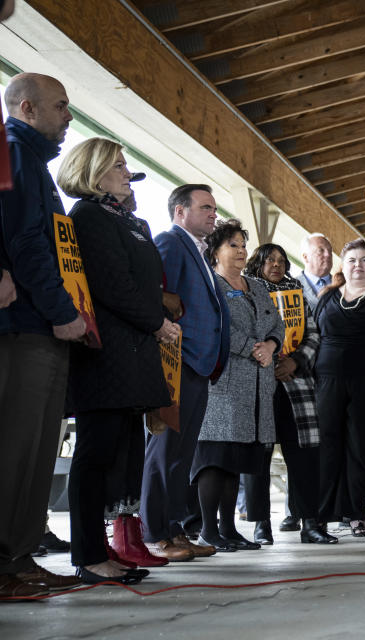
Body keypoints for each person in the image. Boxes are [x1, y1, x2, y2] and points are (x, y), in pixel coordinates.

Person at [56, 138, 178, 583]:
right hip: (106, 353)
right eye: (118, 165)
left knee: (121, 454)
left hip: (132, 350)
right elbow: (111, 284)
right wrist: (157, 323)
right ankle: (87, 553)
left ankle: (109, 544)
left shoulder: (123, 219)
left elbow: (142, 284)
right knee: (96, 453)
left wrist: (155, 319)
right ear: (93, 170)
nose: (128, 172)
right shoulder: (88, 216)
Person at [0, 72, 86, 599]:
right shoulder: (12, 152)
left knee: (34, 449)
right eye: (60, 106)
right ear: (27, 108)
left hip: (44, 325)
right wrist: (60, 309)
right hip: (27, 325)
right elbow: (25, 242)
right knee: (17, 447)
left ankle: (20, 553)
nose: (69, 115)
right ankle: (6, 561)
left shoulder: (31, 161)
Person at [141, 184, 230, 562]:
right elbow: (158, 296)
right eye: (205, 207)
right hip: (176, 363)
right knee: (163, 451)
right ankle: (155, 533)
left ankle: (176, 529)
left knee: (183, 454)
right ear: (180, 212)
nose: (214, 214)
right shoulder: (169, 243)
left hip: (200, 365)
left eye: (214, 208)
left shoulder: (200, 252)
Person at [190, 220, 283, 552]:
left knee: (236, 460)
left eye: (243, 245)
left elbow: (277, 323)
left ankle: (229, 529)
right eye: (233, 245)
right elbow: (212, 326)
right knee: (215, 457)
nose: (242, 251)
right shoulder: (208, 284)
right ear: (215, 251)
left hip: (257, 386)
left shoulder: (256, 286)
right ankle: (208, 530)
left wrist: (271, 345)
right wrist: (251, 348)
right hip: (222, 385)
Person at [239, 243, 326, 544]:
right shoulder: (246, 291)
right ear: (257, 264)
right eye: (269, 260)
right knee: (257, 455)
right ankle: (261, 524)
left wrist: (296, 361)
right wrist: (269, 363)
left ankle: (311, 523)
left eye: (281, 261)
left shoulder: (298, 293)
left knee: (304, 455)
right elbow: (243, 333)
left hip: (297, 383)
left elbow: (314, 334)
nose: (276, 265)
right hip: (260, 382)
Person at [313, 239, 365, 540]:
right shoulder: (328, 296)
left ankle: (355, 514)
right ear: (343, 265)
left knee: (361, 448)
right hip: (327, 381)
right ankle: (319, 516)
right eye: (352, 260)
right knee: (326, 448)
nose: (358, 265)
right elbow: (313, 334)